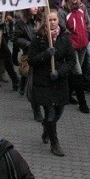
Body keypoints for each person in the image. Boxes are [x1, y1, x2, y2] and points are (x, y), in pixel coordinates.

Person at [28, 9, 76, 157]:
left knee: (59, 110)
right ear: (45, 22)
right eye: (50, 20)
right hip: (43, 82)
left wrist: (60, 72)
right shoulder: (38, 38)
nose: (53, 22)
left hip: (59, 82)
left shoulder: (64, 37)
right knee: (50, 111)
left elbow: (71, 60)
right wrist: (45, 54)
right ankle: (54, 143)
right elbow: (31, 60)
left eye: (55, 20)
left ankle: (47, 128)